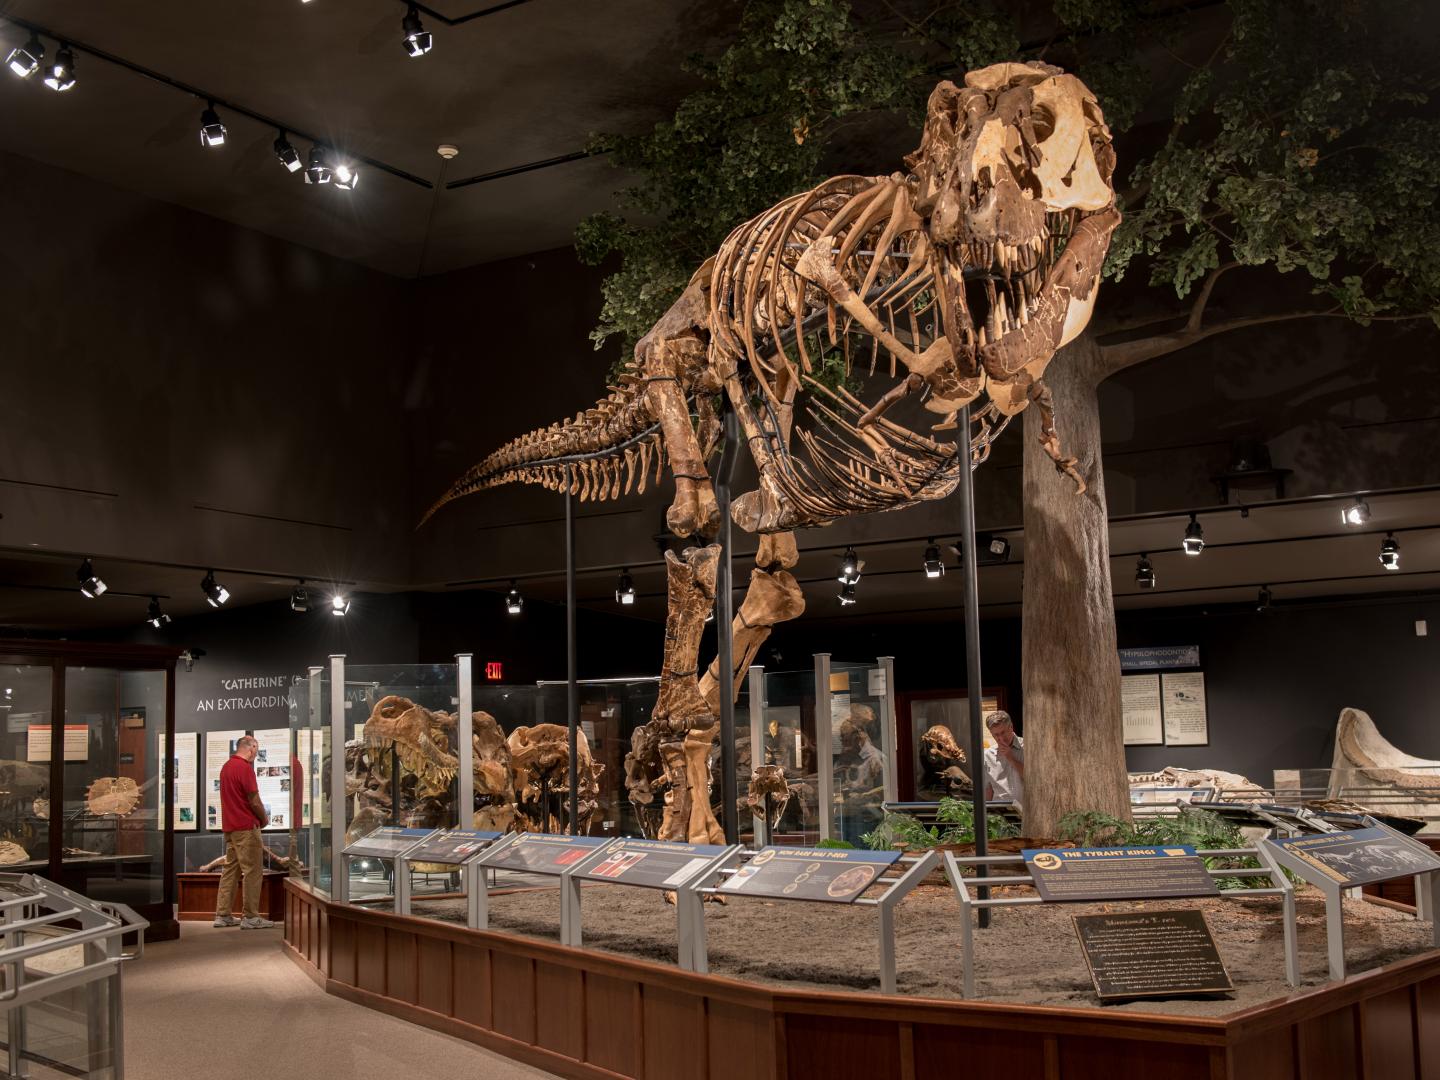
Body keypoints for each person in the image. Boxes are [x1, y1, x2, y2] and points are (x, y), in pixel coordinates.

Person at [213, 735, 275, 929]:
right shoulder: (244, 768)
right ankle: (250, 916)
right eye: (256, 749)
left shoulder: (226, 767)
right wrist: (264, 819)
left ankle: (222, 915)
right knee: (253, 871)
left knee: (230, 871)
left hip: (231, 828)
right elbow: (254, 800)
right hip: (246, 828)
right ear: (252, 747)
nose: (256, 754)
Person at [983, 711, 1024, 807]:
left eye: (1003, 732)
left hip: (1026, 811)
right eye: (996, 735)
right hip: (1000, 812)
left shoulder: (1029, 748)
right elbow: (988, 790)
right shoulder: (988, 755)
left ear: (1011, 727)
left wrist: (1011, 758)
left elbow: (1034, 779)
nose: (1001, 738)